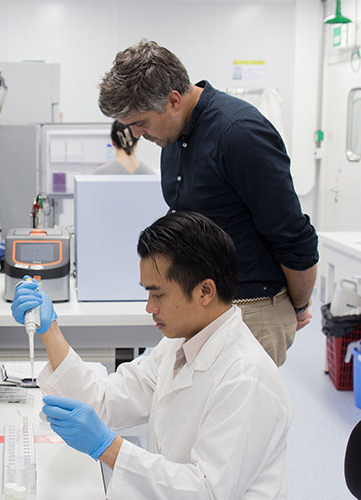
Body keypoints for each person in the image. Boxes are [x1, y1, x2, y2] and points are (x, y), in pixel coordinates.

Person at [11, 211, 291, 499]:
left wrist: (107, 447)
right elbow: (105, 401)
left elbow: (207, 491)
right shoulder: (181, 342)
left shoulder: (246, 378)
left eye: (158, 295)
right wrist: (50, 330)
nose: (149, 308)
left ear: (205, 291)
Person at [98, 40, 318, 366]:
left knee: (237, 414)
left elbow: (292, 234)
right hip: (200, 307)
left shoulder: (238, 132)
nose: (139, 135)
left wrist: (297, 306)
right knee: (193, 412)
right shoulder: (174, 136)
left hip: (250, 309)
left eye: (141, 123)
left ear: (173, 100)